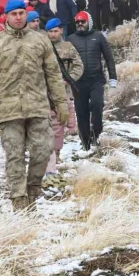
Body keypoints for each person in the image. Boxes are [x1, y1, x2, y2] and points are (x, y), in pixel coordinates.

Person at [0, 0, 68, 211]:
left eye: (21, 13)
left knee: (43, 151)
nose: (18, 17)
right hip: (8, 108)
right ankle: (19, 200)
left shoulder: (40, 40)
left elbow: (53, 74)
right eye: (13, 13)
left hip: (38, 106)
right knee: (14, 155)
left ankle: (33, 190)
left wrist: (61, 103)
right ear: (6, 16)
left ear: (26, 14)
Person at [68, 11, 116, 151]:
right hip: (78, 82)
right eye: (77, 22)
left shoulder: (98, 36)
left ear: (89, 22)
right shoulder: (71, 39)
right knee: (81, 112)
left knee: (97, 104)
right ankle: (86, 142)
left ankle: (96, 133)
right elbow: (65, 61)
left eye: (82, 21)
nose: (80, 24)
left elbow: (109, 57)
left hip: (96, 79)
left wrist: (113, 77)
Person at [44, 19, 82, 175]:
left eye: (55, 31)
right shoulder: (42, 47)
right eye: (50, 31)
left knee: (59, 124)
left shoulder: (68, 47)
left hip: (63, 91)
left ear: (61, 31)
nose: (53, 34)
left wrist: (68, 79)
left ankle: (56, 153)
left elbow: (78, 66)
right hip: (44, 91)